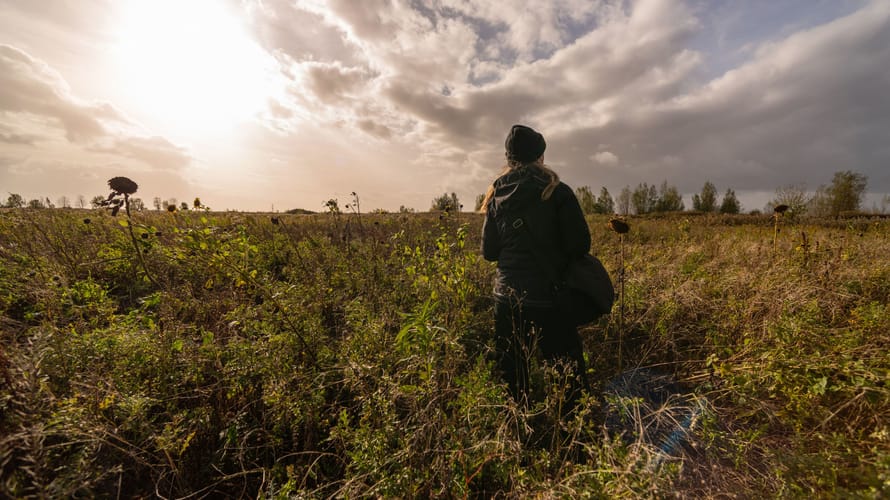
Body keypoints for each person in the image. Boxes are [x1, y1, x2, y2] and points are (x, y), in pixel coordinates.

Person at [481, 124, 592, 412]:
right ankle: (574, 441)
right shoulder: (557, 191)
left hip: (506, 301)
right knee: (568, 376)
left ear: (509, 159)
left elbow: (489, 252)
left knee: (513, 378)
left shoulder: (495, 195)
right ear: (541, 156)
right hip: (549, 299)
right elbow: (580, 245)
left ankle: (518, 437)